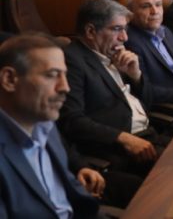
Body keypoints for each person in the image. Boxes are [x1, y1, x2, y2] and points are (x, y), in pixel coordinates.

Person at [59, 0, 166, 177]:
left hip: (149, 134)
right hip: (120, 150)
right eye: (117, 29)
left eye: (125, 29)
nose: (124, 37)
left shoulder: (113, 54)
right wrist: (123, 138)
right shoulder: (72, 61)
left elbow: (149, 101)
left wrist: (135, 76)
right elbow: (72, 120)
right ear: (91, 31)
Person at [0, 34, 102, 218]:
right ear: (9, 79)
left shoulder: (45, 125)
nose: (65, 87)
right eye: (52, 75)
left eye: (65, 75)